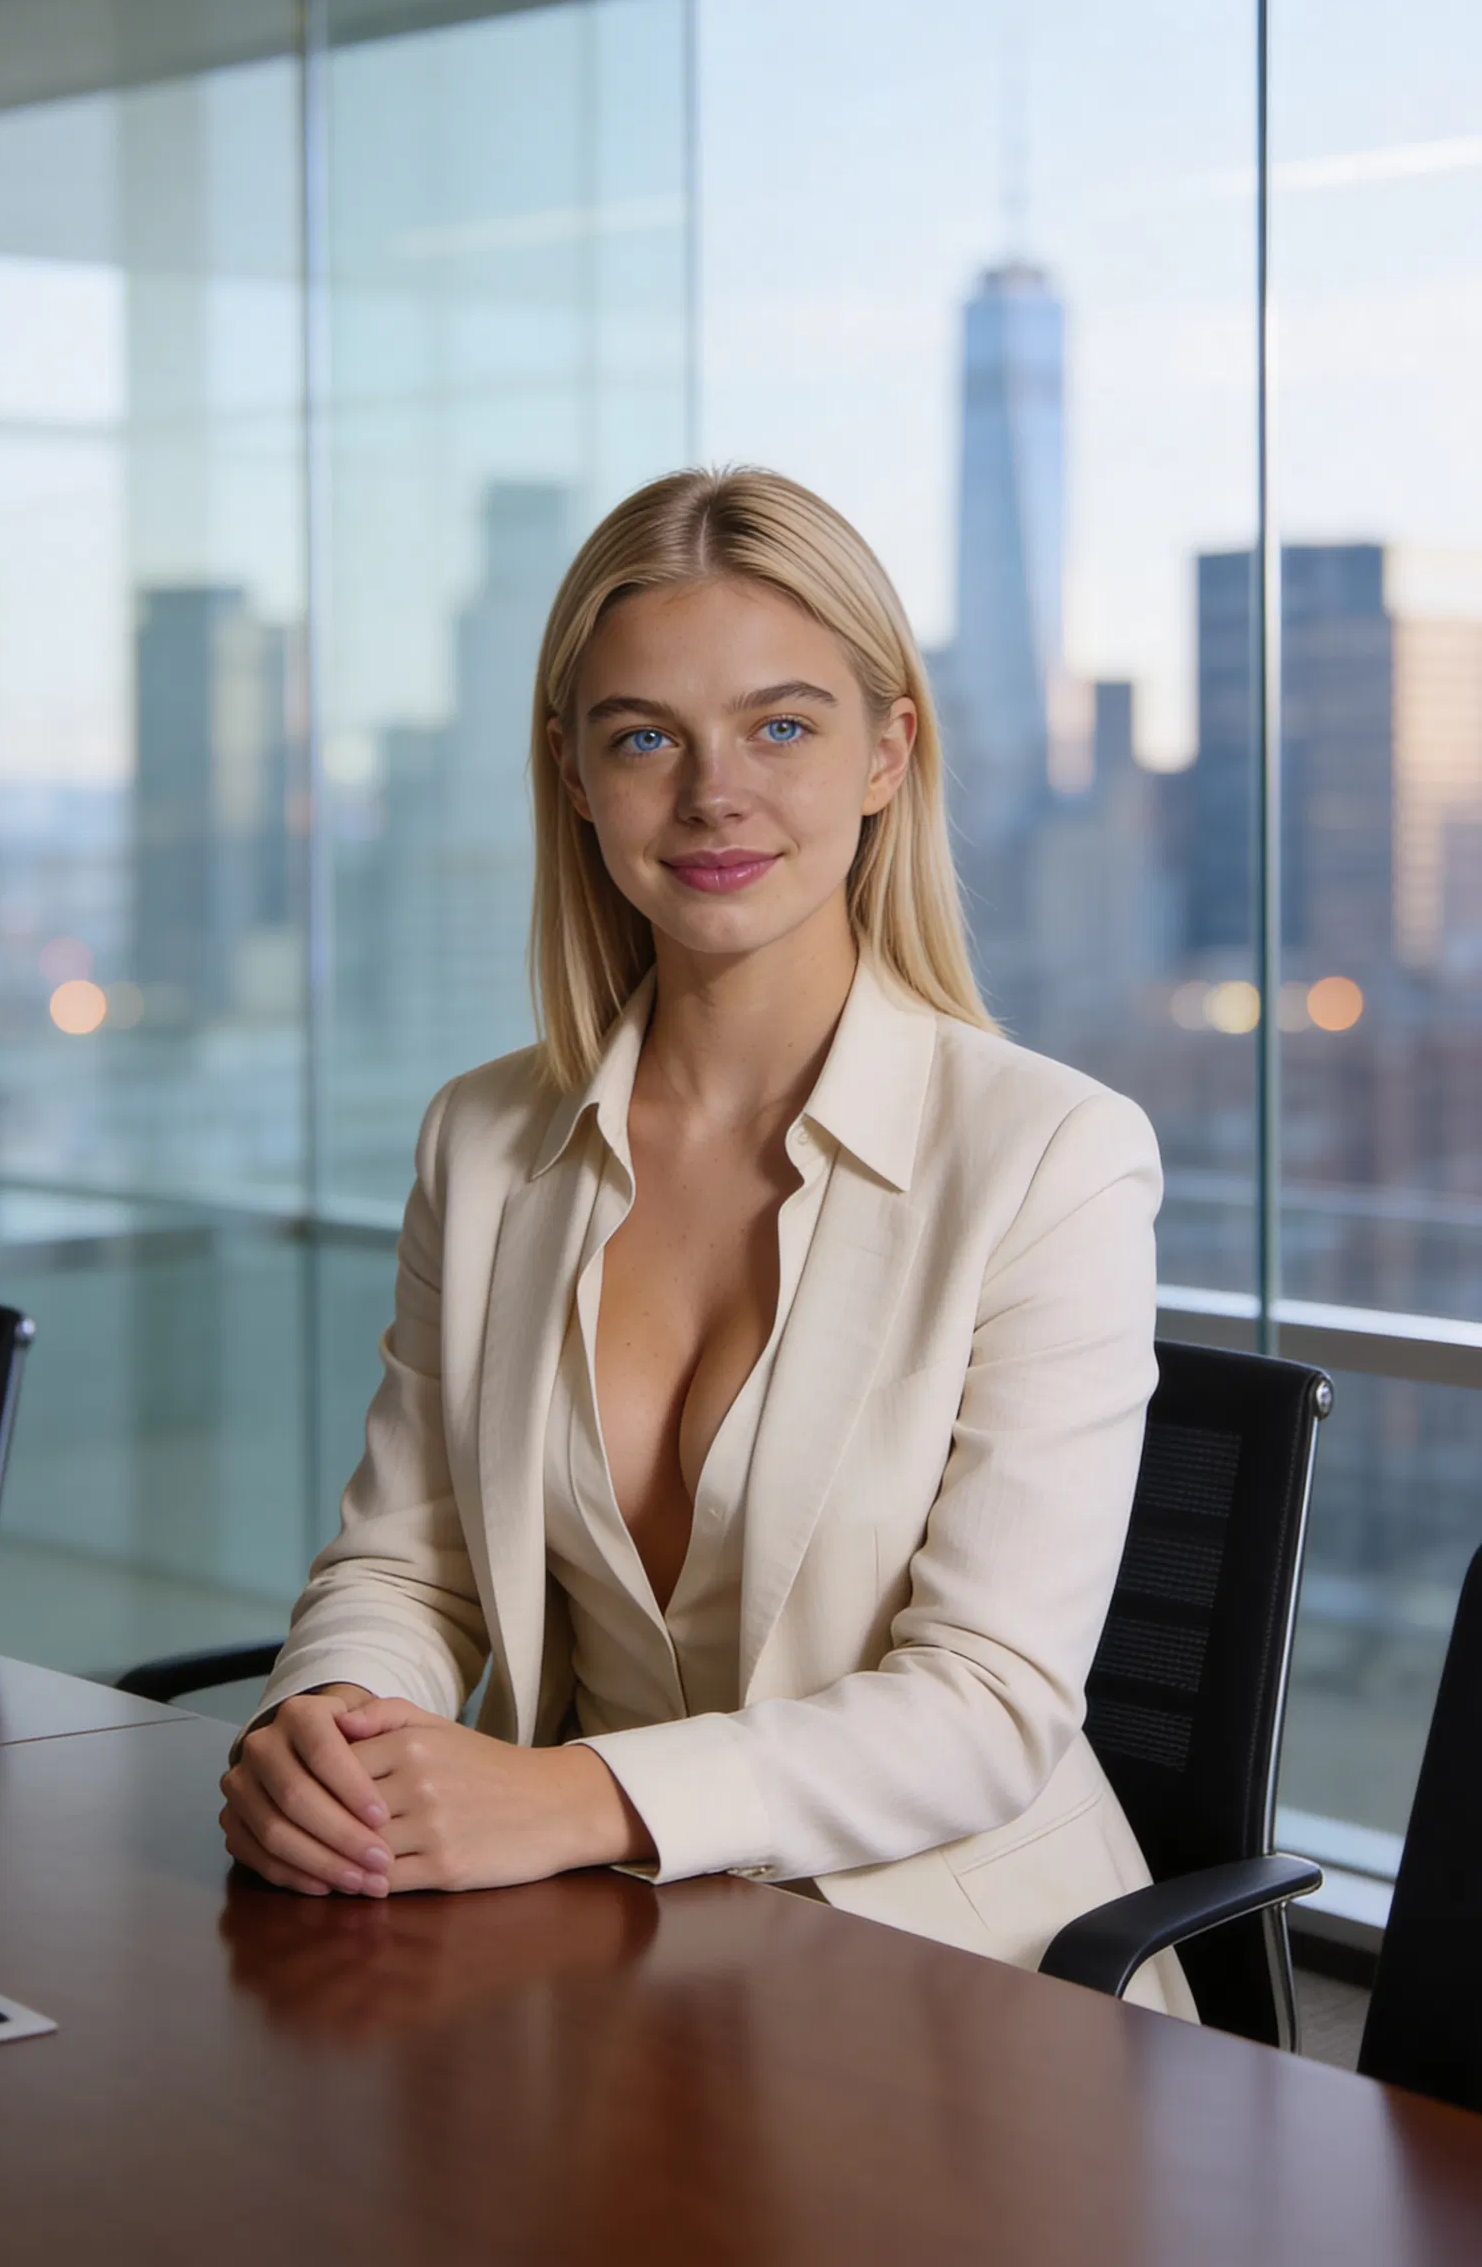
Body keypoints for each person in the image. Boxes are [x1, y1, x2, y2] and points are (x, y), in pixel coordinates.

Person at [221, 467, 1192, 2014]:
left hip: (964, 1994)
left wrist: (574, 1797)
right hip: (605, 1966)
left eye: (783, 726)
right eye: (646, 737)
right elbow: (412, 1563)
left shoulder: (1051, 1155)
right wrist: (336, 1727)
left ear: (889, 752)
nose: (713, 795)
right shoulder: (482, 1143)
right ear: (575, 773)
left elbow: (987, 1705)